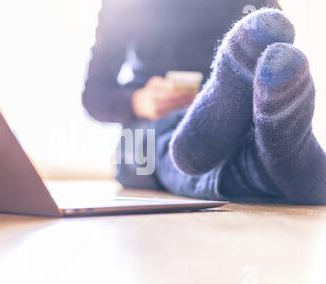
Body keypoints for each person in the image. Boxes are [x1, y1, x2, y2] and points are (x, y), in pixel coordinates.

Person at [83, 2, 326, 204]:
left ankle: (282, 163)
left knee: (248, 135)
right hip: (147, 126)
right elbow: (93, 94)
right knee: (160, 147)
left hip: (231, 123)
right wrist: (138, 101)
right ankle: (304, 170)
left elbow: (274, 69)